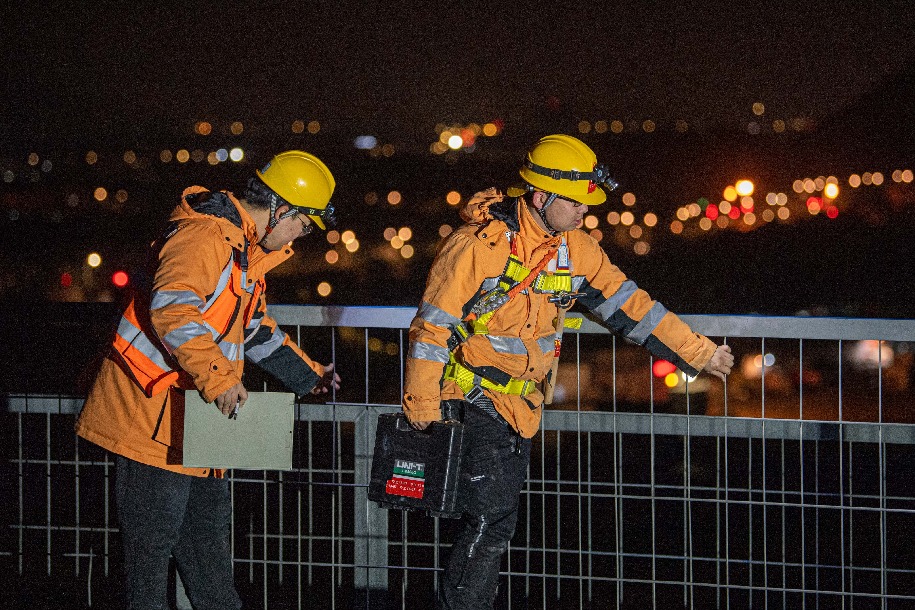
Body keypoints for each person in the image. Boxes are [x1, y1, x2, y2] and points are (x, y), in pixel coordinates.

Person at [402, 134, 734, 609]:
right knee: (490, 523)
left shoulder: (575, 249)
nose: (585, 213)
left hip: (522, 409)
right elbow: (432, 329)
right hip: (475, 401)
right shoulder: (477, 247)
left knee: (492, 522)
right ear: (541, 197)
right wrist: (422, 405)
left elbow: (631, 306)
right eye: (577, 202)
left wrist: (696, 353)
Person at [75, 150, 342, 610]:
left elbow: (250, 328)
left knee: (207, 561)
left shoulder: (243, 250)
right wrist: (219, 380)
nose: (302, 236)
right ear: (282, 210)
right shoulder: (206, 236)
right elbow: (173, 309)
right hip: (151, 423)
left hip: (196, 425)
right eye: (304, 225)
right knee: (148, 569)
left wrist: (308, 376)